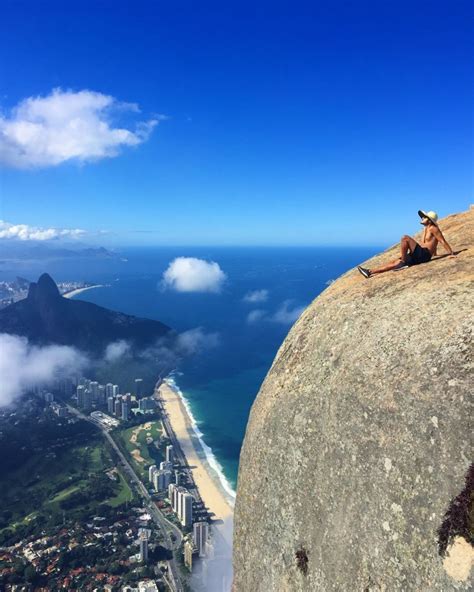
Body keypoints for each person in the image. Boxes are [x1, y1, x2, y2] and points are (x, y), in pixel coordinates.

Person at [358, 210, 456, 278]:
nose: (422, 218)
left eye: (424, 217)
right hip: (420, 254)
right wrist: (435, 253)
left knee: (405, 238)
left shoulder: (433, 228)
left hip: (423, 255)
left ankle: (403, 263)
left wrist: (451, 254)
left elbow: (441, 240)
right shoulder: (426, 228)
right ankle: (370, 272)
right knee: (394, 262)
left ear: (429, 220)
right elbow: (432, 243)